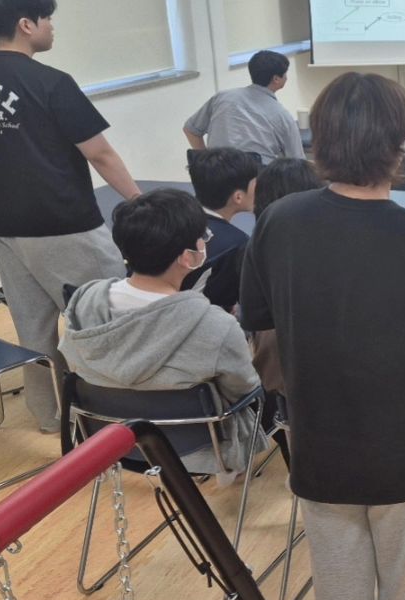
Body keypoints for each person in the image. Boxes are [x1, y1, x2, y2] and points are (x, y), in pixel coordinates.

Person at [239, 72, 405, 600]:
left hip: (319, 449)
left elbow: (258, 315)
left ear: (321, 140)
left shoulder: (278, 221)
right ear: (400, 142)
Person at [0, 0, 140, 433]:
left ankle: (50, 416)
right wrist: (141, 202)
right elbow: (100, 154)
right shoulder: (52, 82)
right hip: (62, 222)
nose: (52, 26)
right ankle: (118, 413)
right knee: (105, 319)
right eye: (47, 18)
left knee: (33, 327)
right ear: (26, 24)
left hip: (2, 221)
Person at [59, 189, 262, 487]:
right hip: (197, 450)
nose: (204, 242)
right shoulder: (214, 325)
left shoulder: (84, 300)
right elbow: (244, 388)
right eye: (203, 237)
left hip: (107, 441)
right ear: (187, 257)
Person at [246, 157, 321, 398]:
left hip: (274, 380)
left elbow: (252, 319)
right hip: (318, 379)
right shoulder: (328, 247)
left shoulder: (256, 245)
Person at [183, 49, 303, 163]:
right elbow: (298, 162)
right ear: (276, 79)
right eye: (285, 73)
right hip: (258, 175)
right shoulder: (282, 116)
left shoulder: (222, 97)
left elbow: (190, 129)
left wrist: (206, 162)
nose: (286, 77)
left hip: (216, 173)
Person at [183, 147, 258, 312]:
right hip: (201, 318)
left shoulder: (175, 218)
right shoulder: (237, 243)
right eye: (255, 184)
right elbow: (224, 302)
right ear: (238, 197)